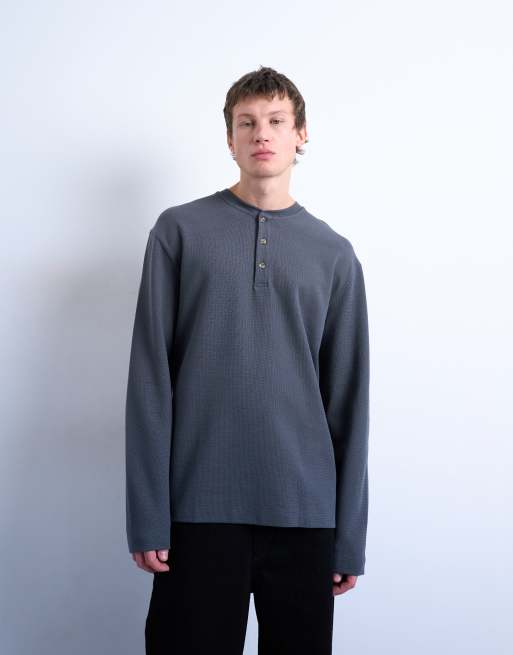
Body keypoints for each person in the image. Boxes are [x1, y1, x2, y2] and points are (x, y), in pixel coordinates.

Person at [125, 65, 370, 655]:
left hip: (304, 513)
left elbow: (349, 402)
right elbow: (150, 381)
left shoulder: (334, 254)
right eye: (247, 122)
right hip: (198, 509)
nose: (262, 133)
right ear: (230, 138)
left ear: (300, 134)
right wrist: (148, 515)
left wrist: (348, 537)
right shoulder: (178, 232)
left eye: (277, 121)